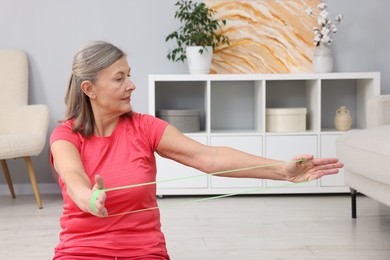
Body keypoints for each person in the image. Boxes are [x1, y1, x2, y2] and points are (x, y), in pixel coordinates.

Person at [50, 41, 343, 259]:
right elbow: (74, 176)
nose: (132, 85)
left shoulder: (144, 127)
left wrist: (282, 170)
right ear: (89, 88)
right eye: (119, 78)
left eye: (129, 75)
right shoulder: (66, 136)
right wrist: (89, 199)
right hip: (80, 250)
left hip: (143, 251)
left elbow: (209, 157)